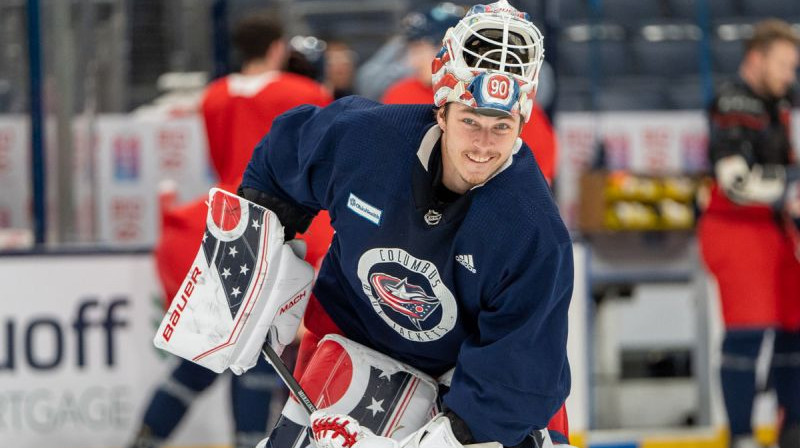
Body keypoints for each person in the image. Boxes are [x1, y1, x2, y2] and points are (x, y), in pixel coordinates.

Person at [240, 1, 573, 447]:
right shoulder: (368, 138)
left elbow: (520, 369)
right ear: (441, 112)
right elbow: (281, 161)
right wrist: (247, 258)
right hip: (352, 347)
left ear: (521, 124)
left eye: (501, 126)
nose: (482, 144)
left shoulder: (533, 231)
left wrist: (453, 437)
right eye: (470, 121)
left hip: (475, 386)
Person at [128, 14, 333, 448]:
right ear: (278, 48)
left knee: (208, 347)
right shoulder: (305, 92)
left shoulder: (214, 95)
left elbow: (225, 162)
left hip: (220, 224)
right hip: (276, 229)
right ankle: (249, 440)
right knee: (259, 349)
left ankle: (147, 437)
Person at [698, 19, 800, 448]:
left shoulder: (776, 100)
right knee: (748, 330)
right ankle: (741, 436)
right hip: (736, 227)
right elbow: (734, 180)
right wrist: (788, 189)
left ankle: (791, 429)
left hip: (774, 230)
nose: (789, 75)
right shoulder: (735, 100)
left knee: (793, 329)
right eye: (783, 65)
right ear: (756, 59)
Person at [381, 3, 558, 183]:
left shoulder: (515, 104)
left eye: (419, 49)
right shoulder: (400, 93)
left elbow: (538, 180)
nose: (412, 62)